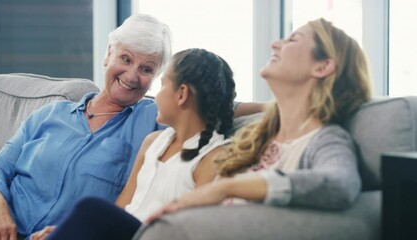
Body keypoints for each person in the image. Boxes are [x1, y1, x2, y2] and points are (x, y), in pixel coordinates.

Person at [0, 14, 260, 240]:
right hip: (1, 223)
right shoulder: (51, 113)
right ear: (108, 54)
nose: (132, 76)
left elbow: (211, 102)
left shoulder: (152, 118)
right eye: (125, 59)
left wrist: (284, 104)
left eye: (146, 69)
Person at [147, 18, 373, 225]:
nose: (275, 44)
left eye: (293, 39)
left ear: (322, 66)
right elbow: (217, 106)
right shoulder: (256, 135)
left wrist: (227, 188)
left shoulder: (326, 139)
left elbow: (340, 185)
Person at [29, 48, 237, 240]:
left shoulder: (213, 158)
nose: (157, 95)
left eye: (163, 85)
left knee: (90, 208)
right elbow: (121, 209)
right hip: (125, 234)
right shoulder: (154, 142)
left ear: (182, 94)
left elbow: (197, 231)